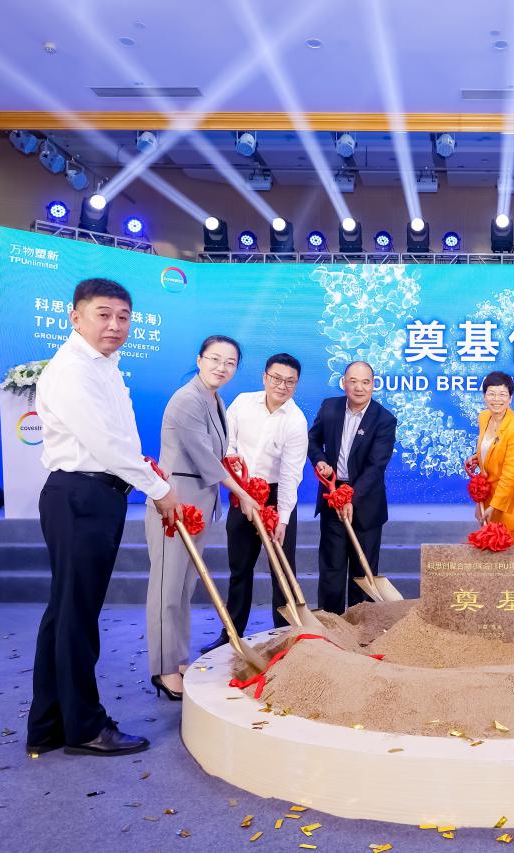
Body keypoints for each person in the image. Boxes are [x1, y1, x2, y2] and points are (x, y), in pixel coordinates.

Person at [27, 278, 180, 757]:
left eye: (123, 317)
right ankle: (85, 728)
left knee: (66, 613)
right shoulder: (74, 370)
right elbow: (106, 444)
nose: (115, 325)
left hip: (97, 495)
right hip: (81, 496)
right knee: (75, 617)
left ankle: (48, 724)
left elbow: (120, 440)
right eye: (103, 314)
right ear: (76, 317)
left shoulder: (104, 366)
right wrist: (160, 489)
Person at [145, 336, 257, 699]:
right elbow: (203, 458)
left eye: (230, 362)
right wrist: (242, 492)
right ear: (199, 359)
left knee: (183, 587)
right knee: (167, 587)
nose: (221, 367)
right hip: (176, 502)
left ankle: (177, 659)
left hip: (201, 500)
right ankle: (164, 669)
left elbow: (215, 454)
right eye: (214, 359)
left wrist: (233, 469)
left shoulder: (215, 398)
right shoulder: (187, 399)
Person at [201, 353, 308, 654]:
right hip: (242, 489)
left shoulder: (296, 421)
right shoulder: (242, 403)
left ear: (296, 385)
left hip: (275, 495)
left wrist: (283, 518)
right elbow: (227, 443)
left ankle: (285, 637)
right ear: (264, 377)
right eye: (276, 378)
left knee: (282, 570)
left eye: (290, 382)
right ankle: (231, 634)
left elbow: (290, 475)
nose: (282, 386)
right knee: (239, 567)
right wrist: (237, 478)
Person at [307, 361, 397, 613]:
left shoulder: (384, 419)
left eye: (365, 382)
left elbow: (376, 466)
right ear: (343, 383)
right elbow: (312, 440)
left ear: (373, 385)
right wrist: (320, 460)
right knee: (331, 569)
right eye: (353, 381)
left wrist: (350, 498)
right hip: (332, 494)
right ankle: (332, 624)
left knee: (362, 573)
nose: (359, 388)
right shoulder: (330, 407)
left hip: (365, 502)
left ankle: (360, 629)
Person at [471, 370, 514, 543]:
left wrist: (494, 506)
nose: (496, 399)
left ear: (510, 398)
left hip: (512, 506)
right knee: (491, 555)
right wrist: (477, 457)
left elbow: (511, 474)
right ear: (484, 396)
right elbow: (492, 448)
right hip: (490, 500)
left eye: (502, 394)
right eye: (491, 394)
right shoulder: (484, 417)